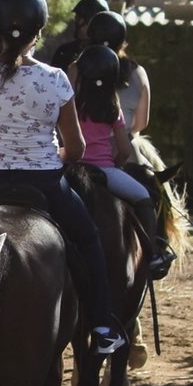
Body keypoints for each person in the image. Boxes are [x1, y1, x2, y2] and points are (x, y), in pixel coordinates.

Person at [0, 0, 127, 356]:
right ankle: (102, 325)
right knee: (88, 240)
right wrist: (55, 154)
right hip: (45, 180)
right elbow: (78, 148)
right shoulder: (55, 80)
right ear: (40, 32)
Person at [72, 45, 175, 279]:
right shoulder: (112, 106)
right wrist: (115, 165)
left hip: (71, 170)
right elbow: (125, 149)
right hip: (105, 171)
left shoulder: (71, 103)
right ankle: (152, 255)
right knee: (144, 199)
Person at [86, 9, 152, 135]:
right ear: (122, 41)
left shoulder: (77, 68)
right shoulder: (137, 72)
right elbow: (141, 123)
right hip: (123, 143)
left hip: (85, 145)